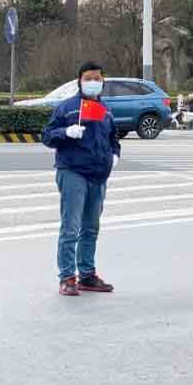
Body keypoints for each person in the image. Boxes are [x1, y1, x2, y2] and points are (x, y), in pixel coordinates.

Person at [42, 61, 120, 296]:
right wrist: (65, 132)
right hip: (73, 172)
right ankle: (67, 277)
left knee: (91, 228)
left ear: (103, 81)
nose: (93, 82)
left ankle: (87, 275)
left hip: (98, 175)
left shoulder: (105, 110)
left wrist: (115, 154)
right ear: (79, 80)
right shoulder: (66, 108)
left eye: (97, 78)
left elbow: (113, 138)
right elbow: (47, 136)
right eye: (88, 78)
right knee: (71, 227)